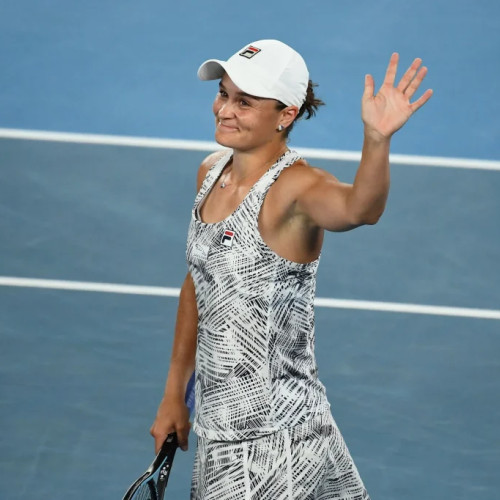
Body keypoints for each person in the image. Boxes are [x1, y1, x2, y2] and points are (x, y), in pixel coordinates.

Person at [150, 39, 432, 499]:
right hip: (225, 432)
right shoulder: (210, 172)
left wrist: (376, 140)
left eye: (245, 101)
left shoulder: (297, 189)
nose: (225, 110)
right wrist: (173, 395)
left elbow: (360, 208)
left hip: (273, 444)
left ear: (286, 114)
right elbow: (199, 284)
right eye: (223, 94)